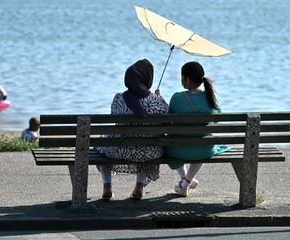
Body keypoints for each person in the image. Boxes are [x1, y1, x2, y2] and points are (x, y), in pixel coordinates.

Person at [95, 59, 169, 201]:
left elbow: (115, 119)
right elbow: (166, 121)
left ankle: (107, 187)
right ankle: (138, 188)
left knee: (103, 143)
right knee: (145, 143)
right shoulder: (157, 101)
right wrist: (159, 98)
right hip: (149, 152)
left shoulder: (118, 99)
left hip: (119, 150)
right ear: (148, 79)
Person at [165, 61, 230, 197]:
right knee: (203, 140)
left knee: (167, 145)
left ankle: (185, 180)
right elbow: (218, 120)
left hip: (177, 150)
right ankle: (186, 182)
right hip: (204, 149)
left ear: (186, 79)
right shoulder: (210, 97)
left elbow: (168, 122)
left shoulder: (177, 98)